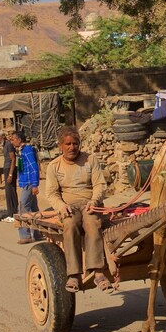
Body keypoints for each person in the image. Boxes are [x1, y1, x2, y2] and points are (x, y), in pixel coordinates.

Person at [45, 125, 110, 293]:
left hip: (90, 204)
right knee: (70, 225)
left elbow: (99, 185)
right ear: (61, 145)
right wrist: (61, 206)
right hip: (68, 207)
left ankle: (98, 272)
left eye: (75, 143)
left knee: (92, 224)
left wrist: (94, 201)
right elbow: (51, 193)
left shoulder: (90, 160)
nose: (72, 147)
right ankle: (73, 274)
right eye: (68, 144)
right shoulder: (54, 166)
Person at [10, 132, 42, 244]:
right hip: (26, 183)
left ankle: (25, 235)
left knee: (23, 207)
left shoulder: (27, 150)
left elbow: (34, 167)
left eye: (13, 139)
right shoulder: (21, 150)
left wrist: (34, 185)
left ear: (19, 139)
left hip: (29, 183)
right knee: (33, 209)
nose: (12, 142)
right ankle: (38, 233)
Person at [0, 131, 19, 221]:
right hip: (7, 168)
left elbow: (13, 159)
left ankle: (12, 213)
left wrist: (10, 174)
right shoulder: (5, 145)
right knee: (9, 191)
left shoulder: (9, 145)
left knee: (10, 191)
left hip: (10, 169)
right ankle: (12, 212)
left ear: (2, 137)